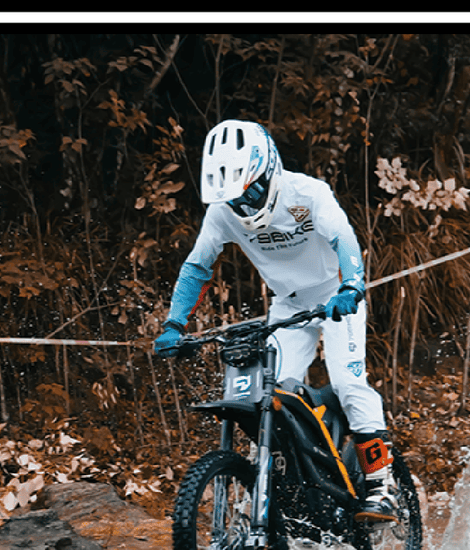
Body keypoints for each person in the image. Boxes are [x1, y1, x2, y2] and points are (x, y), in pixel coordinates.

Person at [154, 119, 397, 522]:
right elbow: (197, 267)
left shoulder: (308, 193)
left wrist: (352, 286)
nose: (243, 205)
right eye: (235, 199)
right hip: (287, 306)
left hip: (336, 296)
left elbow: (344, 239)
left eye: (249, 192)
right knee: (271, 396)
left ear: (268, 172)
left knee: (348, 383)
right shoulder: (221, 213)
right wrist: (173, 325)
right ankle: (278, 488)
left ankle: (381, 486)